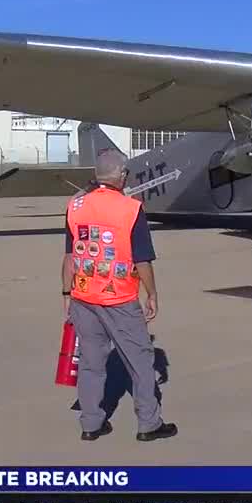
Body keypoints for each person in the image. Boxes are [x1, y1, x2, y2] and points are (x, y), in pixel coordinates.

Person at [61, 152, 177, 442]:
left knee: (90, 362)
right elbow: (142, 260)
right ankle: (148, 424)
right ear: (121, 175)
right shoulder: (131, 208)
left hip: (83, 296)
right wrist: (152, 294)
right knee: (140, 360)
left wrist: (66, 293)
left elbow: (69, 257)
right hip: (120, 299)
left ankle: (91, 424)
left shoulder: (74, 206)